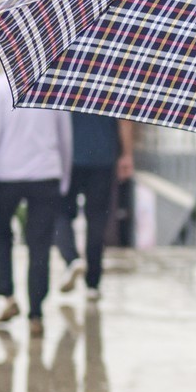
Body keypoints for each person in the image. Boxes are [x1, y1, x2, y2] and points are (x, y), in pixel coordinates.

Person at [0, 72, 72, 337]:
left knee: (1, 236)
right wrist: (65, 177)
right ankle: (36, 313)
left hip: (6, 176)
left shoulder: (1, 85)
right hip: (46, 176)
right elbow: (65, 138)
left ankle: (6, 296)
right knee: (40, 244)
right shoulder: (55, 83)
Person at [55, 112, 135, 301]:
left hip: (69, 157)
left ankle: (71, 259)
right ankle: (93, 284)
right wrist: (127, 154)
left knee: (61, 214)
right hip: (103, 157)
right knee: (97, 219)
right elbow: (124, 120)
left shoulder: (63, 81)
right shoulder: (112, 82)